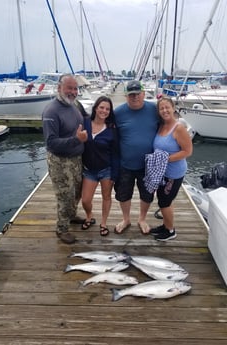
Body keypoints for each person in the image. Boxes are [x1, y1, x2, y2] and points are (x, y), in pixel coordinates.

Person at [42, 74, 88, 244]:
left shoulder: (75, 105)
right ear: (59, 88)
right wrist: (76, 140)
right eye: (69, 88)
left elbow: (87, 118)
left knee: (77, 191)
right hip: (60, 161)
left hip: (76, 159)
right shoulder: (51, 111)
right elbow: (51, 142)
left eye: (75, 88)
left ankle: (72, 214)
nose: (73, 92)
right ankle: (61, 229)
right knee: (65, 195)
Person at [114, 80, 159, 234]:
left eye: (137, 94)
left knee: (147, 194)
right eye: (131, 94)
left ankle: (142, 219)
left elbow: (168, 125)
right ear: (126, 96)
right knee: (123, 194)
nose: (135, 97)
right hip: (125, 163)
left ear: (144, 94)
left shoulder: (154, 109)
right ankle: (126, 219)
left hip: (148, 164)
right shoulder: (118, 113)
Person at [149, 96, 193, 241]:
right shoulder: (162, 126)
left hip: (174, 174)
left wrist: (165, 159)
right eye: (161, 108)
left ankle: (170, 231)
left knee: (164, 201)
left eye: (167, 107)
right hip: (162, 172)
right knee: (164, 200)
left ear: (173, 108)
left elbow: (187, 151)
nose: (165, 110)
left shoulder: (179, 128)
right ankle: (166, 224)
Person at [81, 96, 119, 236]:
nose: (104, 111)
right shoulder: (85, 123)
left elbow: (115, 154)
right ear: (96, 108)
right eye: (101, 107)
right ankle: (89, 216)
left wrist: (114, 174)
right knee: (85, 200)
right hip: (89, 170)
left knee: (106, 197)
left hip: (106, 170)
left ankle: (103, 223)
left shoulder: (111, 130)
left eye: (107, 109)